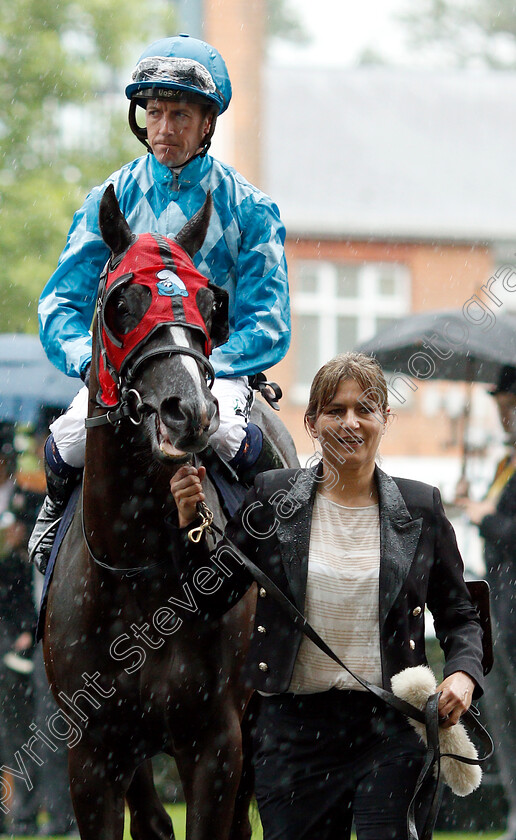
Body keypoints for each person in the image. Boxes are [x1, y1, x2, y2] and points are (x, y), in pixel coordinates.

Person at [169, 351, 485, 840]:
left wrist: (463, 674)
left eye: (365, 409)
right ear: (311, 422)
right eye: (335, 411)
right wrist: (190, 526)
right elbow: (210, 598)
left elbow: (460, 614)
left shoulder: (421, 506)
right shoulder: (272, 497)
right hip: (292, 732)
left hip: (392, 726)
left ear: (386, 419)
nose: (350, 422)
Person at [30, 33, 290, 572]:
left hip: (215, 370)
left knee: (242, 442)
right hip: (124, 374)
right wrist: (89, 362)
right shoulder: (111, 199)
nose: (165, 128)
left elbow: (270, 323)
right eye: (154, 113)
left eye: (179, 115)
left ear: (207, 123)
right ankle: (53, 523)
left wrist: (198, 367)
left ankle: (282, 559)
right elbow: (59, 303)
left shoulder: (252, 209)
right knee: (66, 442)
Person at [456, 364, 516, 840]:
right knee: (503, 715)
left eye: (510, 407)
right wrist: (473, 503)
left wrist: (482, 515)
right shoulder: (505, 464)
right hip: (499, 606)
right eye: (501, 407)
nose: (504, 416)